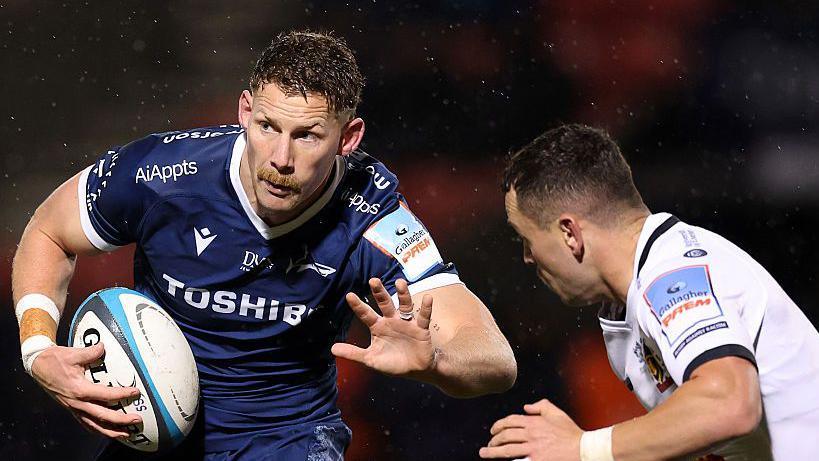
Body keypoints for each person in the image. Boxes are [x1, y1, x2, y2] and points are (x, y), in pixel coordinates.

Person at [12, 30, 517, 460]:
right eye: (267, 126)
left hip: (287, 439)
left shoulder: (375, 219)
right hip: (155, 430)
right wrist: (38, 349)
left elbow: (496, 359)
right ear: (245, 110)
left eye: (307, 136)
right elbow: (48, 232)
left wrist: (437, 361)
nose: (280, 158)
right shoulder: (162, 174)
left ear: (348, 138)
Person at [480, 124, 819, 461]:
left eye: (526, 238)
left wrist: (582, 448)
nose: (527, 257)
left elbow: (730, 406)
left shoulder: (672, 278)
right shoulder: (633, 299)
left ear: (570, 233)